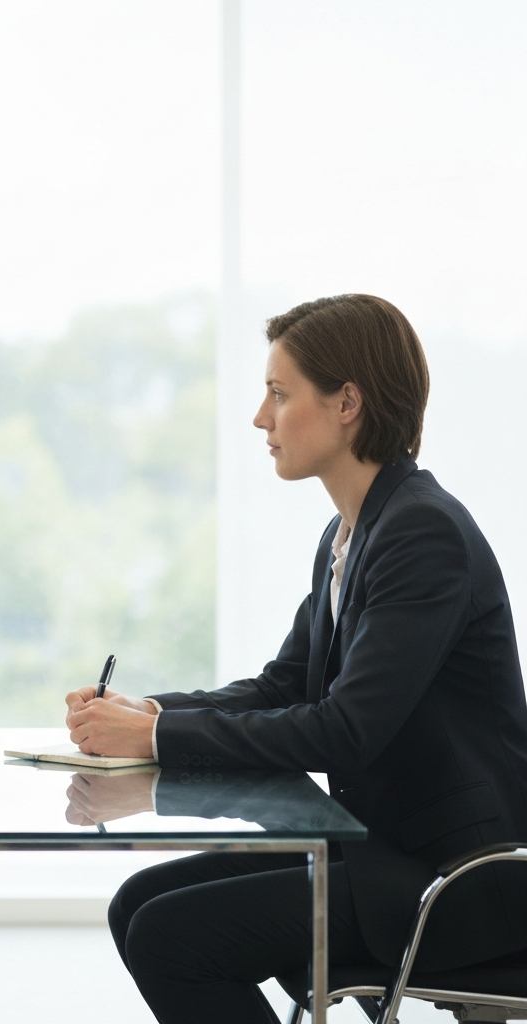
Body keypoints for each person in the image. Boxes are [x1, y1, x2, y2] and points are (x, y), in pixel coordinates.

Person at [64, 294, 527, 1024]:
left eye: (279, 394)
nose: (260, 417)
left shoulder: (421, 536)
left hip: (455, 881)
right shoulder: (352, 533)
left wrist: (152, 741)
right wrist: (150, 713)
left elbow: (344, 731)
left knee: (172, 935)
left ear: (348, 403)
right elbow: (283, 686)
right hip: (382, 850)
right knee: (139, 905)